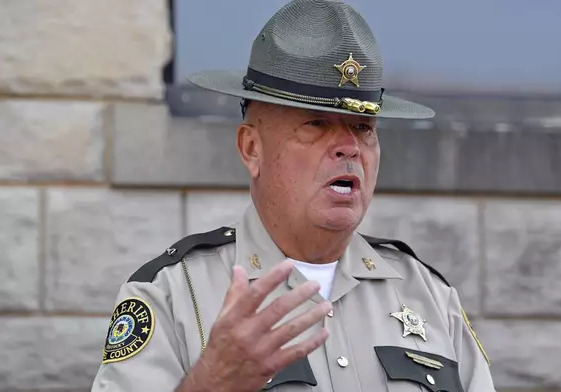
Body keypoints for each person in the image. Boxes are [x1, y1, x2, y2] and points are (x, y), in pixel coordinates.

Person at [91, 0, 496, 390]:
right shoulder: (172, 295)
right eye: (317, 123)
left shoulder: (427, 295)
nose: (349, 147)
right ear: (252, 149)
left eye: (363, 128)